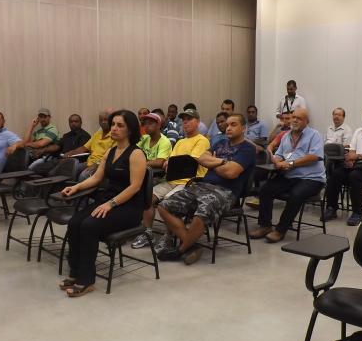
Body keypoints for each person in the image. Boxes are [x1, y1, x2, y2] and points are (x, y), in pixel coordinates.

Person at [59, 110, 147, 297]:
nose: (114, 128)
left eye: (120, 125)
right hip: (108, 201)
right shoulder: (111, 151)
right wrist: (76, 187)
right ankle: (76, 272)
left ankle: (86, 280)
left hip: (129, 207)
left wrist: (111, 204)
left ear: (130, 130)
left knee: (89, 226)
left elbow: (135, 187)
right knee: (75, 223)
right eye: (113, 124)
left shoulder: (137, 154)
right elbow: (97, 177)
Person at [157, 113, 256, 265]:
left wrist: (213, 163)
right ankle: (191, 245)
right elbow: (202, 160)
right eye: (227, 124)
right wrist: (223, 162)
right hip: (202, 185)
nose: (228, 128)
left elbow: (231, 173)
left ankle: (180, 249)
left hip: (226, 191)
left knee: (203, 209)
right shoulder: (219, 143)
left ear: (243, 128)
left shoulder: (247, 149)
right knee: (164, 206)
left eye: (233, 125)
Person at [129, 108, 210, 250]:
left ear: (197, 122)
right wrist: (169, 162)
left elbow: (189, 161)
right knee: (147, 197)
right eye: (183, 121)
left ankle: (169, 236)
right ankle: (148, 233)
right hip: (172, 180)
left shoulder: (202, 140)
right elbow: (169, 162)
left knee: (167, 203)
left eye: (189, 120)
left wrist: (170, 162)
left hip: (190, 182)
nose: (185, 123)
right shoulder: (180, 142)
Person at [249, 108, 325, 243]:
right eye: (293, 117)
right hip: (290, 175)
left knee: (296, 195)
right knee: (265, 189)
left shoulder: (315, 135)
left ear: (306, 121)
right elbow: (279, 154)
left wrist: (290, 163)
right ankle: (265, 226)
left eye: (299, 118)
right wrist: (276, 159)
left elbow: (314, 156)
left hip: (312, 178)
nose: (294, 120)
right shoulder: (286, 136)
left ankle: (280, 230)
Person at [64, 109, 115, 181]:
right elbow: (83, 148)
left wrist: (97, 164)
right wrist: (70, 153)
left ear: (111, 121)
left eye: (106, 120)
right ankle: (71, 189)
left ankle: (82, 191)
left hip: (102, 165)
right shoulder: (97, 134)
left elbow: (112, 156)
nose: (103, 122)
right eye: (101, 120)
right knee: (70, 170)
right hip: (89, 162)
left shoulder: (114, 135)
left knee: (83, 176)